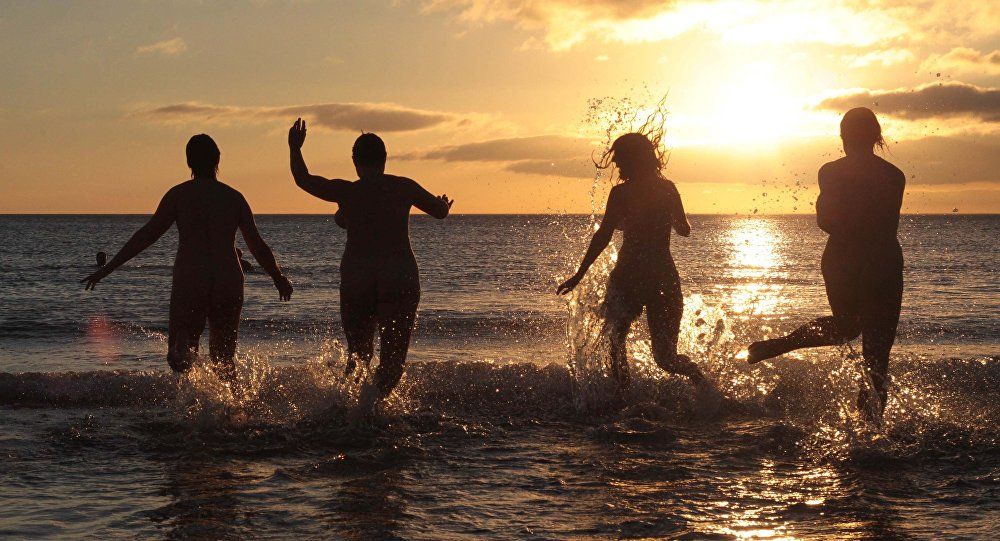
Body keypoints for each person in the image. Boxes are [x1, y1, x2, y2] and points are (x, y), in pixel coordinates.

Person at [82, 134, 293, 379]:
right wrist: (277, 277)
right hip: (228, 280)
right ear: (218, 160)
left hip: (192, 279)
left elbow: (147, 236)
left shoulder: (179, 195)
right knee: (224, 360)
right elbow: (256, 244)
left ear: (188, 162)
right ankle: (228, 412)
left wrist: (107, 269)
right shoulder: (233, 198)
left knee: (180, 356)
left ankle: (196, 404)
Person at [746, 107, 905, 422]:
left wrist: (849, 232)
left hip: (842, 257)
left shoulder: (830, 172)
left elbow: (825, 220)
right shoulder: (893, 174)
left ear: (843, 137)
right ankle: (872, 430)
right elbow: (887, 225)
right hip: (882, 260)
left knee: (846, 325)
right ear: (876, 137)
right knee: (877, 355)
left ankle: (786, 343)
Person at [287, 118, 452, 413]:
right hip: (398, 279)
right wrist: (444, 204)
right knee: (391, 364)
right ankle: (370, 411)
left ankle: (348, 414)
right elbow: (439, 212)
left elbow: (304, 179)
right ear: (385, 159)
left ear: (354, 160)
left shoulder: (348, 193)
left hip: (357, 281)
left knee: (358, 357)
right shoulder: (403, 187)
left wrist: (294, 147)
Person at [557, 132, 716, 403]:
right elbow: (684, 230)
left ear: (632, 159)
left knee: (615, 342)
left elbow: (604, 235)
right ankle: (707, 389)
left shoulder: (621, 193)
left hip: (629, 275)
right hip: (662, 276)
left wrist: (580, 274)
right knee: (666, 358)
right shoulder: (668, 188)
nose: (618, 167)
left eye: (620, 161)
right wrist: (671, 219)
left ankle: (623, 398)